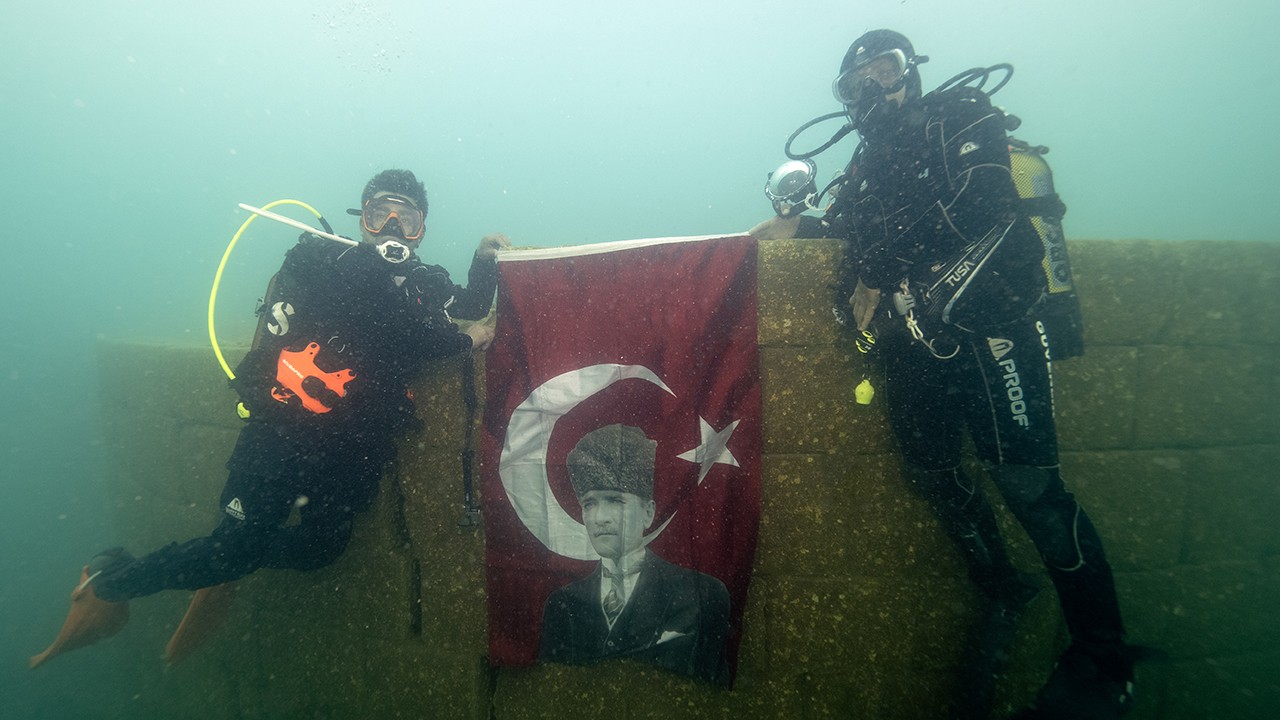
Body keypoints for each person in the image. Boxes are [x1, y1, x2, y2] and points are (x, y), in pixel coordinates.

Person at [752, 30, 1135, 719]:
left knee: (1031, 491)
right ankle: (1000, 585)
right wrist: (766, 237)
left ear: (912, 73)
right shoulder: (866, 167)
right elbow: (839, 240)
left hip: (995, 329)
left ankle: (1104, 660)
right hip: (912, 348)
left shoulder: (963, 118)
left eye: (885, 70)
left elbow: (985, 208)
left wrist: (875, 265)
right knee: (932, 474)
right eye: (854, 83)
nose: (873, 88)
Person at [31, 169, 510, 669]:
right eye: (379, 213)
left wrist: (483, 259)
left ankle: (240, 553)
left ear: (422, 229)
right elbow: (398, 331)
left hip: (352, 445)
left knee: (320, 550)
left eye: (405, 217)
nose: (391, 226)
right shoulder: (330, 260)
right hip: (282, 432)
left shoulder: (425, 281)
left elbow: (470, 304)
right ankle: (110, 581)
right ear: (361, 218)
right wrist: (464, 340)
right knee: (232, 546)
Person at [539, 424, 731, 685]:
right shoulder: (562, 604)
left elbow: (713, 690)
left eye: (615, 500)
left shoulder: (702, 593)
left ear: (648, 513)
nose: (599, 518)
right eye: (589, 503)